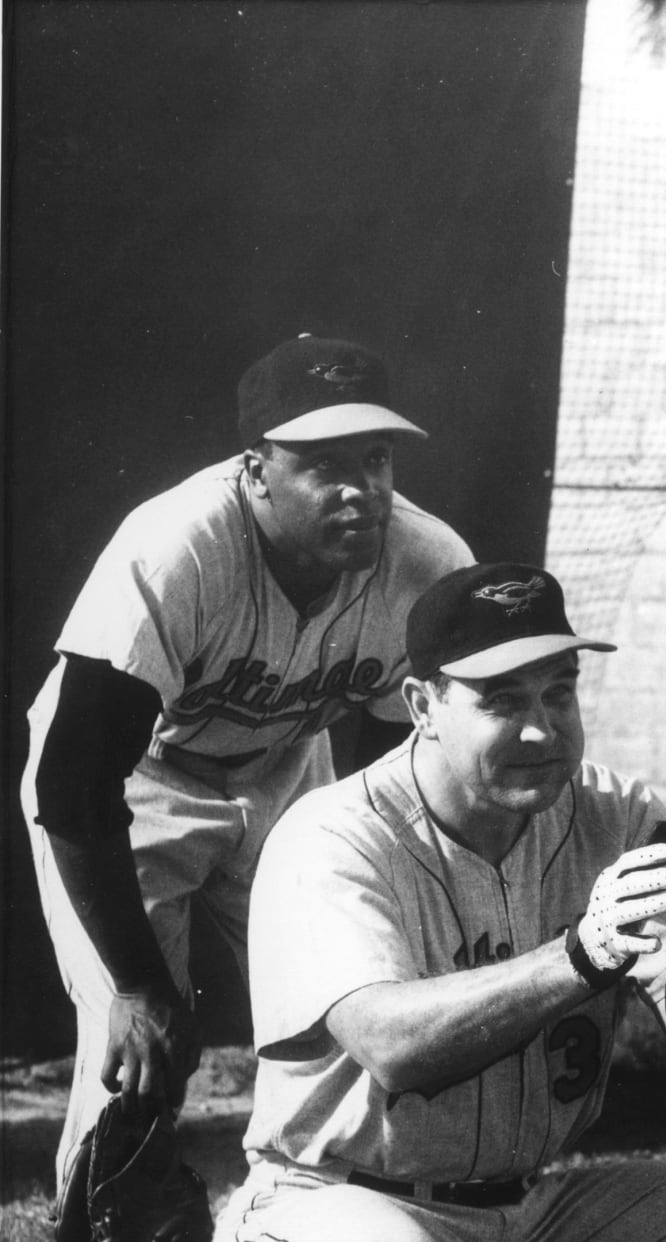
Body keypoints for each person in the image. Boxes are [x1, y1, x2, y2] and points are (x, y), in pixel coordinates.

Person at [217, 562, 666, 1242]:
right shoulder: (334, 836)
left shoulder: (621, 816)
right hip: (335, 1197)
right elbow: (390, 1044)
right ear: (422, 705)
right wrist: (578, 957)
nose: (541, 730)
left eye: (559, 693)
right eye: (502, 700)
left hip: (531, 1207)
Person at [21, 333, 473, 1197]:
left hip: (287, 768)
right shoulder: (176, 549)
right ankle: (103, 1216)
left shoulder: (428, 563)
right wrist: (140, 986)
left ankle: (327, 1210)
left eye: (374, 458)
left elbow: (410, 766)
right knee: (138, 1045)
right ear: (257, 467)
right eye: (323, 463)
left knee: (356, 994)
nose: (360, 488)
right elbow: (74, 784)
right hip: (136, 778)